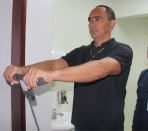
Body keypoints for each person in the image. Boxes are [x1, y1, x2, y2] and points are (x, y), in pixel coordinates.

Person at [4, 5, 133, 131]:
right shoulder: (81, 52)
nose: (91, 24)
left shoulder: (122, 50)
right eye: (89, 20)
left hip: (108, 126)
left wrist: (51, 75)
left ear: (112, 23)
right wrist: (22, 70)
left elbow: (102, 68)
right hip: (80, 124)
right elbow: (54, 64)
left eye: (97, 19)